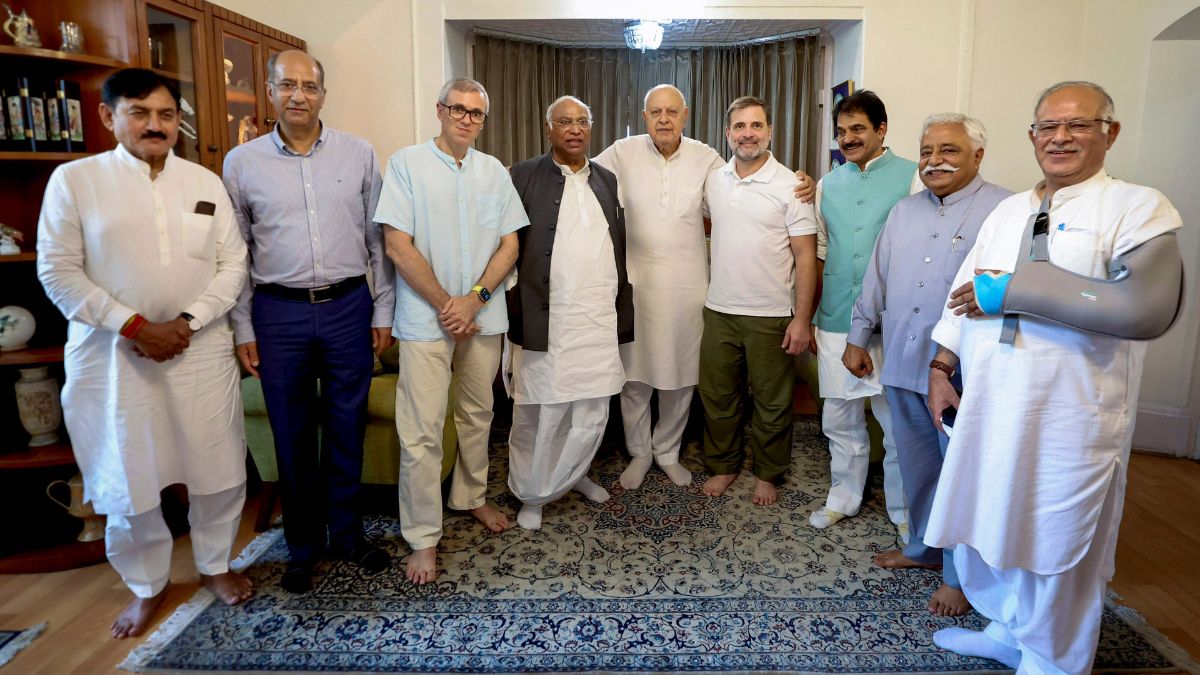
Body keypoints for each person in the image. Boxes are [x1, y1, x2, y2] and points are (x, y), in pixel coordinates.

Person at [925, 81, 1182, 673]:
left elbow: (1146, 309)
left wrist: (1018, 291)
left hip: (1071, 416)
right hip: (992, 404)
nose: (1061, 137)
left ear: (1110, 133)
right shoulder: (1009, 210)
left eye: (1079, 124)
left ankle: (1054, 660)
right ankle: (1009, 631)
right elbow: (962, 296)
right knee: (994, 522)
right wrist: (942, 366)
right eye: (1048, 126)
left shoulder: (1136, 207)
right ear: (1032, 135)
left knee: (1057, 537)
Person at [37, 68, 252, 638]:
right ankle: (146, 584)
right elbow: (57, 272)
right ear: (109, 116)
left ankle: (214, 565)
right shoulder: (75, 181)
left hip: (198, 349)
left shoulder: (204, 182)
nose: (155, 125)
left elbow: (233, 264)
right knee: (127, 474)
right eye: (140, 112)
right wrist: (134, 325)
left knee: (217, 466)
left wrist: (185, 323)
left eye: (165, 114)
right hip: (114, 358)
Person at [223, 50, 395, 594]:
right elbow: (235, 255)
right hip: (278, 314)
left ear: (323, 94)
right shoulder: (241, 162)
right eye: (287, 85)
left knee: (347, 426)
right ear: (270, 91)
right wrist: (244, 328)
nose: (298, 95)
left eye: (309, 86)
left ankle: (347, 535)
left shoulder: (359, 153)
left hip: (348, 307)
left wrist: (383, 310)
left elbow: (378, 243)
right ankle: (302, 547)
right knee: (291, 434)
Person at [843, 113, 1011, 617]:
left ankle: (961, 578)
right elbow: (876, 278)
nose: (935, 161)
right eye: (926, 151)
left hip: (963, 373)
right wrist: (857, 338)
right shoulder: (904, 211)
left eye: (949, 150)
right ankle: (924, 548)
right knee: (918, 466)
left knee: (961, 474)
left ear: (978, 155)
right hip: (903, 359)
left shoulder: (1005, 211)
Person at [373, 77, 527, 585]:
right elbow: (397, 245)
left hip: (484, 315)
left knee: (478, 414)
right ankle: (423, 536)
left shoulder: (494, 172)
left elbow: (510, 245)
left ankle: (471, 496)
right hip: (425, 321)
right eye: (457, 109)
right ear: (440, 110)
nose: (466, 119)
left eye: (476, 113)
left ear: (484, 120)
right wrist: (447, 305)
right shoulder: (406, 164)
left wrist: (474, 298)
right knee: (421, 428)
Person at [506, 95, 632, 530]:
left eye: (582, 121)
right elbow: (506, 245)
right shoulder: (522, 175)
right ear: (549, 128)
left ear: (590, 127)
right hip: (548, 318)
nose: (575, 129)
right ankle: (534, 492)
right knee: (545, 408)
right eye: (564, 122)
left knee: (591, 407)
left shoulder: (607, 179)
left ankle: (573, 475)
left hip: (596, 318)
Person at [590, 84, 721, 490]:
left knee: (681, 375)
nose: (664, 119)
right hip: (636, 285)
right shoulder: (621, 152)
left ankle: (667, 451)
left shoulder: (706, 158)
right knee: (635, 376)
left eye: (671, 111)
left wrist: (796, 183)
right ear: (644, 117)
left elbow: (741, 190)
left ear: (686, 115)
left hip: (687, 287)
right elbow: (579, 176)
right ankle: (640, 452)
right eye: (655, 112)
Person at [698, 96, 817, 506]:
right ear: (727, 133)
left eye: (756, 125)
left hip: (770, 314)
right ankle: (724, 464)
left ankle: (768, 472)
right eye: (739, 126)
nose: (747, 133)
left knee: (772, 402)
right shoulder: (714, 179)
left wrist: (802, 320)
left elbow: (806, 256)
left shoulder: (792, 186)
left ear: (769, 131)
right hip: (719, 309)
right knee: (718, 397)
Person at [809, 90, 917, 534]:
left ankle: (904, 512)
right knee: (839, 417)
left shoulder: (913, 177)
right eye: (841, 131)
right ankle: (844, 497)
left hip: (891, 322)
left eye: (858, 129)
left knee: (895, 422)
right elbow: (821, 251)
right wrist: (812, 315)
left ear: (881, 130)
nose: (848, 138)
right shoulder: (826, 184)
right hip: (836, 316)